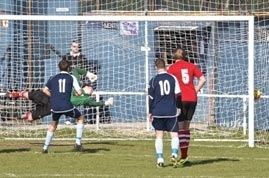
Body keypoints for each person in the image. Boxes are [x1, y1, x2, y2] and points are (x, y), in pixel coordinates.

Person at [167, 48, 206, 166]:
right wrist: (196, 88)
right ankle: (184, 155)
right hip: (192, 98)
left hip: (181, 98)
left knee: (179, 128)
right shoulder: (191, 66)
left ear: (174, 57)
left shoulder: (172, 68)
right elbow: (203, 79)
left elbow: (169, 83)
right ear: (184, 57)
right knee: (186, 127)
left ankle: (181, 154)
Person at [41, 59, 85, 153]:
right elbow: (79, 92)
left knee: (53, 124)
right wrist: (79, 93)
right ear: (68, 68)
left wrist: (53, 96)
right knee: (80, 117)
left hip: (55, 106)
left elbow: (44, 90)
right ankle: (77, 143)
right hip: (66, 105)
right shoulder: (71, 77)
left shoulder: (53, 77)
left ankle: (45, 148)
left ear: (59, 67)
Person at [6, 85, 113, 122]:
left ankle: (19, 117)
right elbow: (76, 71)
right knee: (36, 94)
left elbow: (94, 103)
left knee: (30, 118)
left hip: (54, 107)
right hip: (50, 97)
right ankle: (16, 94)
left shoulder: (85, 99)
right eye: (90, 87)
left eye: (92, 90)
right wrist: (88, 74)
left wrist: (105, 103)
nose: (91, 89)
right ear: (84, 87)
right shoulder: (76, 85)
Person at [148, 58, 181, 168]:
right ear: (166, 66)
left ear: (156, 67)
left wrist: (150, 112)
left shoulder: (153, 80)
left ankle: (160, 159)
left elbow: (150, 98)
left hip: (157, 112)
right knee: (174, 135)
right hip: (171, 111)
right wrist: (178, 107)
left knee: (159, 135)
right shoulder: (173, 78)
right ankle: (174, 154)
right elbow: (178, 95)